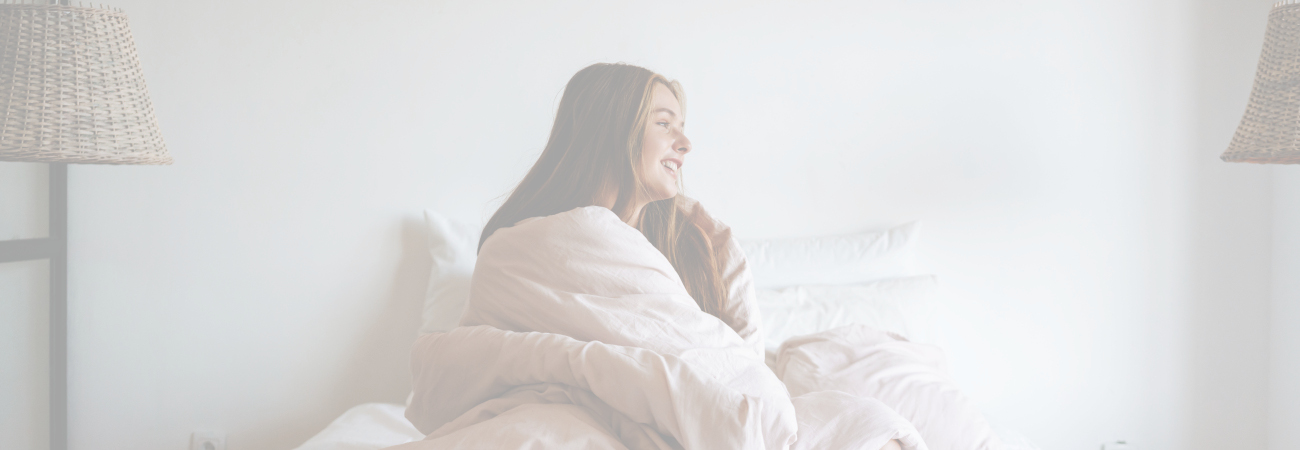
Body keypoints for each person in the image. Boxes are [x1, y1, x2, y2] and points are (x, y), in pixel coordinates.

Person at [475, 62, 903, 450]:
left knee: (867, 421)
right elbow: (486, 366)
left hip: (709, 423)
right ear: (610, 131)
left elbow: (742, 370)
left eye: (681, 126)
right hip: (574, 417)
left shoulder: (694, 248)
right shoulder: (520, 250)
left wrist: (727, 264)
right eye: (664, 124)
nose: (685, 143)